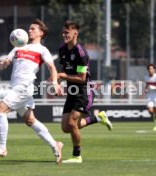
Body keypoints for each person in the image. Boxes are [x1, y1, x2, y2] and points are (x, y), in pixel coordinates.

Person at [0, 19, 63, 164]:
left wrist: (54, 82)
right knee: (30, 120)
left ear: (41, 33)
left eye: (33, 29)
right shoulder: (18, 48)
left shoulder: (42, 50)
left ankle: (2, 147)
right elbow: (3, 64)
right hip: (16, 87)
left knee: (0, 109)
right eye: (29, 28)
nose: (30, 30)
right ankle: (55, 145)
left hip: (24, 86)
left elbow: (52, 68)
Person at [57, 20, 112, 163]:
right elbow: (63, 69)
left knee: (71, 122)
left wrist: (63, 76)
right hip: (71, 91)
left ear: (75, 33)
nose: (64, 34)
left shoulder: (81, 53)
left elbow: (82, 79)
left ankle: (77, 156)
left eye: (67, 32)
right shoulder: (62, 50)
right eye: (63, 32)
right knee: (66, 127)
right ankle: (97, 118)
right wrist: (58, 81)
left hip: (84, 91)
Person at [144, 64, 156, 131]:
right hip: (150, 96)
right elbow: (146, 86)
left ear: (154, 69)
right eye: (149, 69)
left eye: (152, 68)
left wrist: (153, 87)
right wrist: (146, 89)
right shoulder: (146, 77)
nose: (150, 70)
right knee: (150, 110)